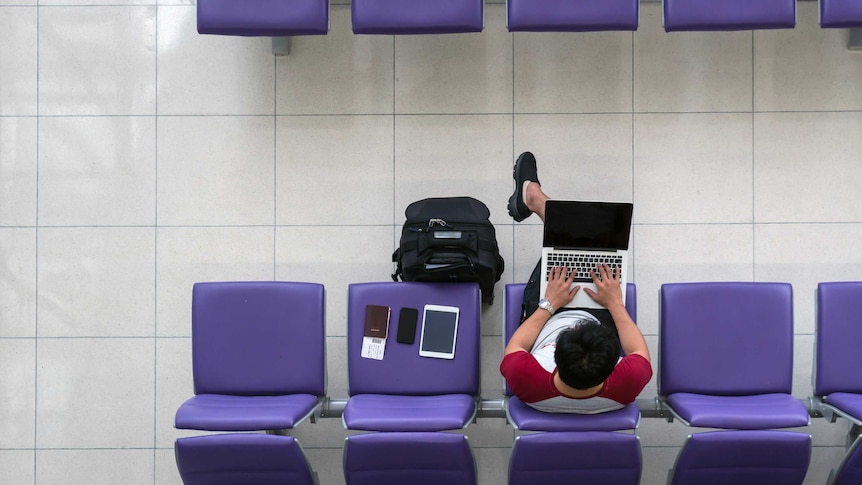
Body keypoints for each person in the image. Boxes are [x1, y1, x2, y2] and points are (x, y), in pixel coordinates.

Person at [500, 152, 652, 414]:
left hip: (547, 315)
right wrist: (614, 305)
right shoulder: (626, 385)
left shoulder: (528, 380)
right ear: (613, 368)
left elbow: (516, 346)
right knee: (596, 251)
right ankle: (537, 201)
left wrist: (550, 304)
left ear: (555, 356)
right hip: (601, 314)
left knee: (570, 244)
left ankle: (536, 201)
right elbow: (638, 349)